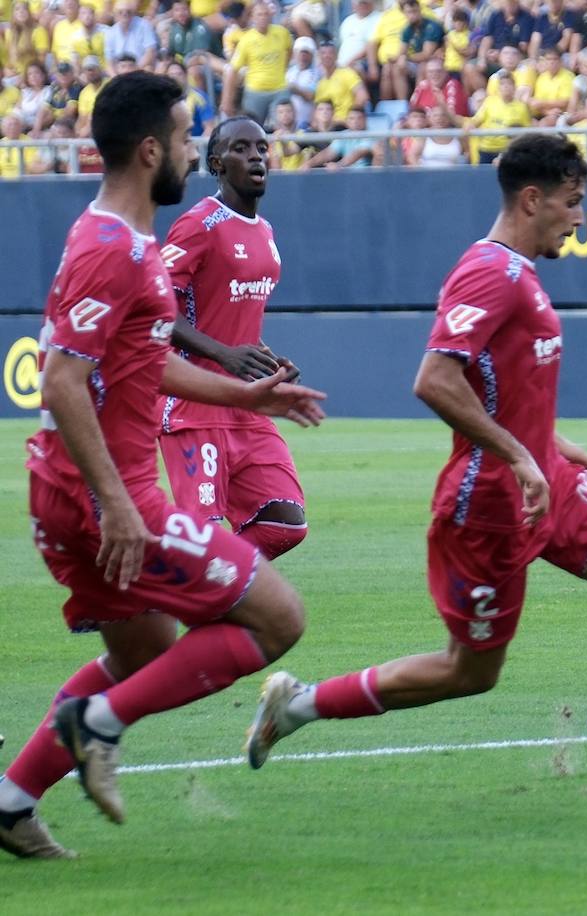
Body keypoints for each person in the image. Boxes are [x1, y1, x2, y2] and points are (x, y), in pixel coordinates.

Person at [242, 133, 587, 798]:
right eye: (573, 202)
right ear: (533, 200)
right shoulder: (490, 272)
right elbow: (435, 379)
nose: (580, 216)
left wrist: (551, 446)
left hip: (547, 484)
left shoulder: (520, 274)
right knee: (470, 672)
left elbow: (500, 384)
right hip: (489, 504)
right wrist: (519, 455)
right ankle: (298, 706)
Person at [0, 72, 325, 860]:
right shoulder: (115, 248)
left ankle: (10, 803)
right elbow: (63, 379)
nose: (193, 152)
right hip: (102, 494)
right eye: (186, 139)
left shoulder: (125, 239)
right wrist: (116, 503)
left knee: (140, 652)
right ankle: (97, 726)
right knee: (279, 619)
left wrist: (248, 401)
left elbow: (144, 360)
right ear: (152, 150)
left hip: (76, 488)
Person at [157, 116, 313, 562]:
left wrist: (264, 359)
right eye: (242, 149)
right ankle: (197, 584)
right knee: (203, 536)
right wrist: (224, 355)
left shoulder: (265, 233)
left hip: (245, 403)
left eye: (262, 148)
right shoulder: (199, 224)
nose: (257, 157)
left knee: (286, 524)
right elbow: (156, 309)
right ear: (217, 164)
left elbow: (231, 319)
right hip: (193, 404)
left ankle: (196, 580)